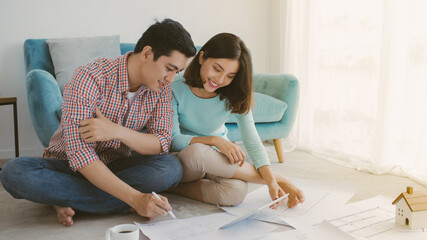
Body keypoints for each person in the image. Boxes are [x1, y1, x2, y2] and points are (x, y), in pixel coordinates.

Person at [0, 19, 196, 227]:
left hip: (116, 167)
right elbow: (79, 154)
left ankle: (65, 198)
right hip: (66, 166)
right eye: (169, 68)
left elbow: (161, 142)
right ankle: (118, 201)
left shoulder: (161, 89)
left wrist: (117, 132)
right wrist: (136, 199)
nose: (171, 79)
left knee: (171, 167)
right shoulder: (90, 76)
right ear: (147, 54)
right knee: (14, 172)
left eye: (177, 72)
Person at [169, 33, 305, 208]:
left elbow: (252, 140)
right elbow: (173, 140)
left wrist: (269, 179)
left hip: (216, 159)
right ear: (202, 57)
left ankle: (172, 189)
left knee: (235, 192)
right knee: (197, 152)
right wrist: (272, 180)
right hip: (185, 159)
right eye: (217, 69)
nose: (219, 80)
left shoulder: (234, 94)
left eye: (230, 75)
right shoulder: (174, 86)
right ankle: (280, 179)